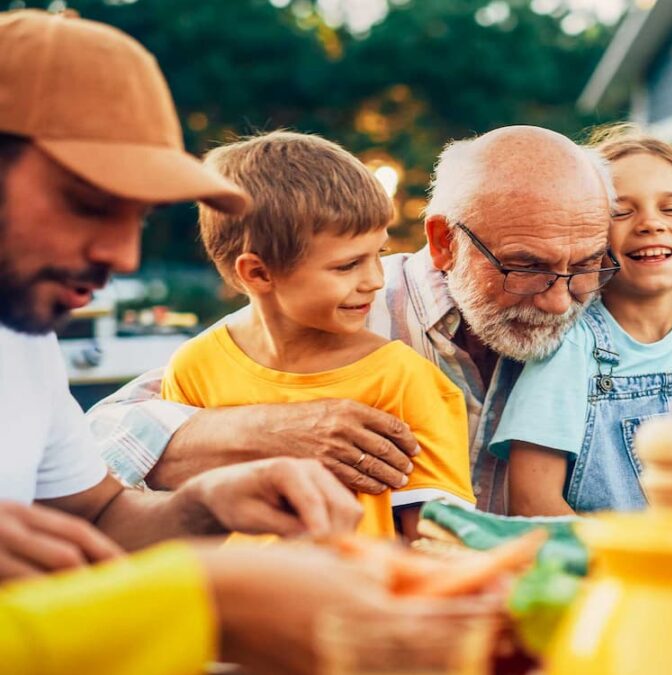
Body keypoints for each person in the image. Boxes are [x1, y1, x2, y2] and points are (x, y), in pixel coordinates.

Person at [89, 124, 672, 513]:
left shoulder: (603, 323)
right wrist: (257, 426)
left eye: (585, 265)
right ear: (442, 241)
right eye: (525, 266)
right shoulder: (358, 311)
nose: (559, 298)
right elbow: (98, 444)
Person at [0, 10, 397, 674]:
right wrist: (215, 595)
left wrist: (206, 502)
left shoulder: (24, 336)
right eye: (90, 203)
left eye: (139, 218)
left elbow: (95, 516)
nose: (123, 256)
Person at [161, 131, 474, 539]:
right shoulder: (193, 368)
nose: (375, 280)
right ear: (258, 273)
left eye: (378, 254)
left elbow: (436, 544)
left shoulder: (404, 379)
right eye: (347, 266)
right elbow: (178, 516)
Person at [490, 127, 672, 515]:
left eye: (671, 209)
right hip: (610, 566)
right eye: (621, 212)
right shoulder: (570, 341)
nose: (650, 224)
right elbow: (532, 499)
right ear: (591, 234)